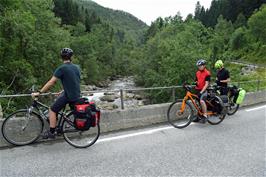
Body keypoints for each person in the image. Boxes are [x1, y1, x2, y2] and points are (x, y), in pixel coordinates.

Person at [32, 48, 81, 139]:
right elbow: (74, 81)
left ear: (61, 58)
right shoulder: (77, 67)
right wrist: (64, 90)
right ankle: (58, 127)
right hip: (76, 94)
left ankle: (52, 132)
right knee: (58, 106)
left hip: (69, 96)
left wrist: (39, 92)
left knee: (52, 110)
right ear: (71, 57)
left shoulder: (61, 68)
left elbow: (51, 82)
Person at [195, 59, 211, 123]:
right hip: (197, 89)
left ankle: (205, 115)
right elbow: (196, 81)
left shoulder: (207, 73)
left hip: (204, 90)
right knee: (197, 103)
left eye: (200, 66)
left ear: (204, 66)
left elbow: (207, 84)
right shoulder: (197, 73)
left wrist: (201, 92)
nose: (199, 67)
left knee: (202, 101)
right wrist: (195, 83)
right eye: (198, 66)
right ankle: (198, 116)